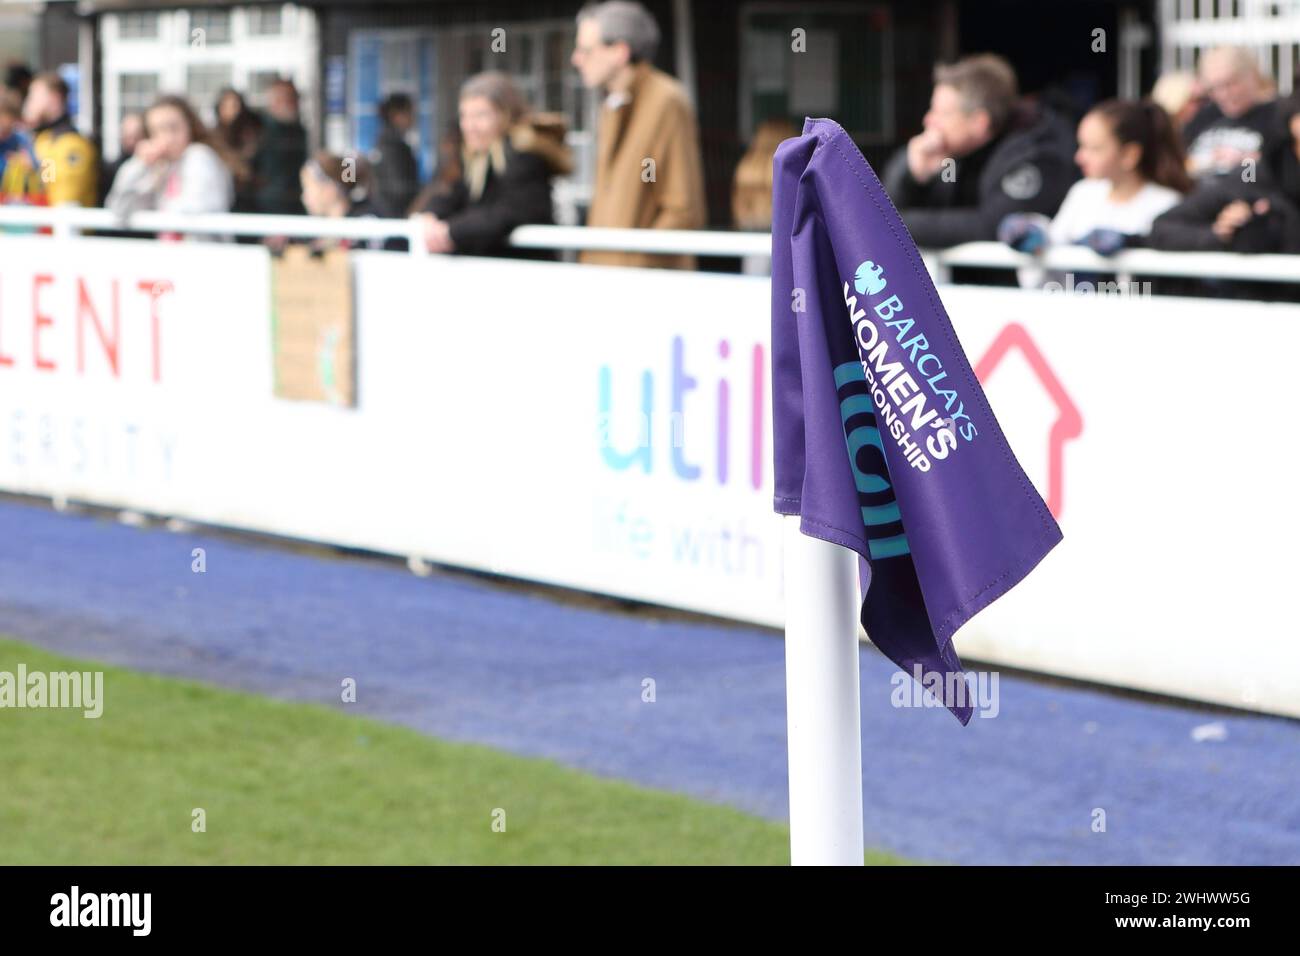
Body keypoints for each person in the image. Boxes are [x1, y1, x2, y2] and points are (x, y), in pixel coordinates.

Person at [881, 53, 1077, 248]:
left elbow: (992, 226)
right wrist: (911, 175)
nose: (928, 120)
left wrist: (895, 225)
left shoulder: (1038, 152)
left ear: (979, 123)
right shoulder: (951, 151)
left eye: (941, 113)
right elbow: (888, 212)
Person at [571, 0, 706, 269]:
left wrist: (631, 269)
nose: (576, 59)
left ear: (619, 52)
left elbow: (682, 210)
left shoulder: (666, 101)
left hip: (645, 291)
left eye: (586, 50)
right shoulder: (612, 106)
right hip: (610, 286)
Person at [411, 71, 572, 258]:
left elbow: (507, 213)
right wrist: (430, 216)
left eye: (480, 115)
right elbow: (454, 195)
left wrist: (451, 232)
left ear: (505, 115)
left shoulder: (525, 158)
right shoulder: (478, 159)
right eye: (465, 116)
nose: (470, 126)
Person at [1001, 99, 1191, 257]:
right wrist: (1034, 231)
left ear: (1129, 155)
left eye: (1094, 149)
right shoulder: (1083, 193)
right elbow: (1053, 247)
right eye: (1081, 146)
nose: (1079, 157)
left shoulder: (1167, 204)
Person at [105, 94, 234, 223]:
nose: (167, 137)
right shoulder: (164, 167)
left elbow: (195, 210)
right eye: (157, 131)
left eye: (173, 128)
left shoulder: (199, 156)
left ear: (190, 127)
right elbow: (119, 210)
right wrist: (139, 163)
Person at [1182, 47, 1279, 184]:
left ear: (1252, 76)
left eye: (1230, 83)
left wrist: (1244, 161)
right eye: (1214, 88)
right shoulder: (1206, 116)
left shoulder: (1276, 116)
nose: (1223, 94)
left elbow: (1272, 173)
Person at [19, 71, 98, 207]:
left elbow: (64, 197)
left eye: (34, 97)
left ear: (54, 98)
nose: (28, 103)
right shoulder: (43, 139)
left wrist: (36, 165)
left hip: (64, 225)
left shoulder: (72, 144)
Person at [251, 78, 307, 215]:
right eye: (287, 99)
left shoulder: (302, 132)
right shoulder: (258, 132)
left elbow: (348, 160)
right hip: (271, 208)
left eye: (294, 98)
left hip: (299, 205)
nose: (293, 104)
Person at [368, 92, 421, 218]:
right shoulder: (393, 146)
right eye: (409, 113)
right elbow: (399, 188)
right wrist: (429, 191)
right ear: (396, 115)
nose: (413, 118)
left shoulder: (381, 142)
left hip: (385, 212)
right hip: (396, 214)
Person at [214, 87, 262, 212]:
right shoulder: (214, 136)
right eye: (227, 106)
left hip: (249, 198)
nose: (232, 111)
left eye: (235, 106)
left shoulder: (250, 133)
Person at [98, 111, 144, 204]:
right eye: (128, 136)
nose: (132, 141)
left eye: (136, 136)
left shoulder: (151, 165)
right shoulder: (111, 169)